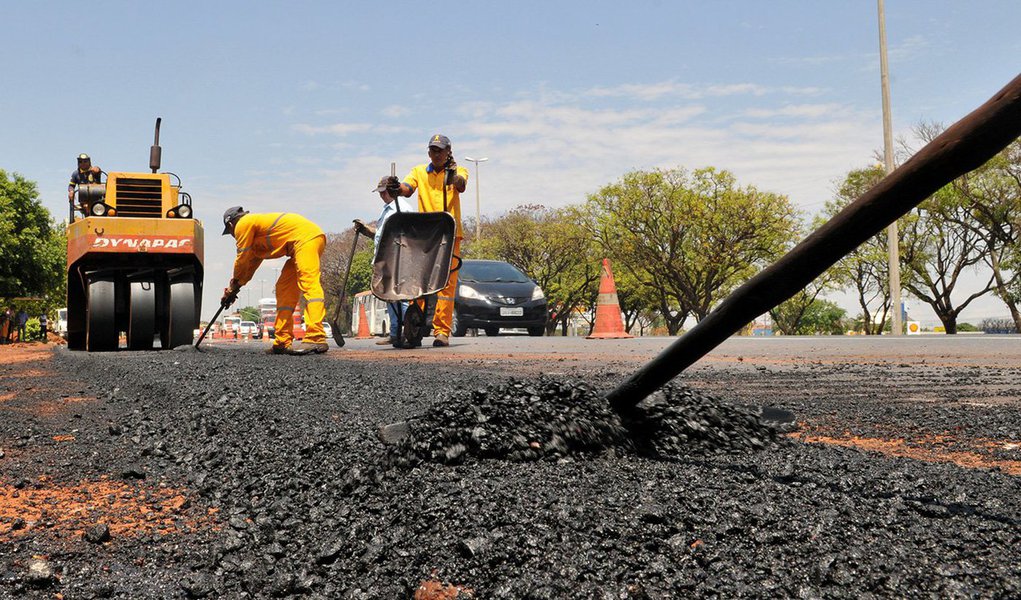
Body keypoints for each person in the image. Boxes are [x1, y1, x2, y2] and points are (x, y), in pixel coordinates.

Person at [380, 133, 469, 347]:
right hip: (425, 235)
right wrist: (396, 187)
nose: (436, 154)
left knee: (446, 286)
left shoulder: (459, 170)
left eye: (440, 150)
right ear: (428, 152)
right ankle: (414, 328)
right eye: (433, 150)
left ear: (449, 152)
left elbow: (461, 184)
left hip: (450, 234)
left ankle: (441, 332)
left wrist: (453, 175)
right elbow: (407, 190)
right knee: (418, 281)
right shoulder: (419, 172)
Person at [221, 206, 329, 355]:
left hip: (307, 239)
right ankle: (282, 341)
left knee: (309, 283)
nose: (233, 235)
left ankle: (316, 337)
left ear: (231, 224)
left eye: (230, 232)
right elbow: (249, 267)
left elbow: (241, 260)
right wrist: (235, 287)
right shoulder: (256, 237)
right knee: (284, 288)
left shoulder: (243, 224)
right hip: (301, 244)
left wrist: (233, 287)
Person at [356, 180, 418, 346]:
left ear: (393, 191)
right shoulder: (387, 209)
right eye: (380, 193)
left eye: (384, 192)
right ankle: (395, 332)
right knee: (389, 296)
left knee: (400, 296)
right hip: (385, 258)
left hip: (399, 257)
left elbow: (405, 234)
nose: (382, 196)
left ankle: (407, 333)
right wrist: (367, 230)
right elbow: (382, 234)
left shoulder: (402, 208)